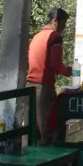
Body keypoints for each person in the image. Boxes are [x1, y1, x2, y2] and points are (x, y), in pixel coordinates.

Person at [26, 7, 72, 146]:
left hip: (29, 86)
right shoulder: (54, 36)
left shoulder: (37, 36)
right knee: (46, 130)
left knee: (32, 129)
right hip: (43, 87)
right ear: (55, 21)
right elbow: (56, 64)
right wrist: (67, 71)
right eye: (63, 23)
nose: (64, 27)